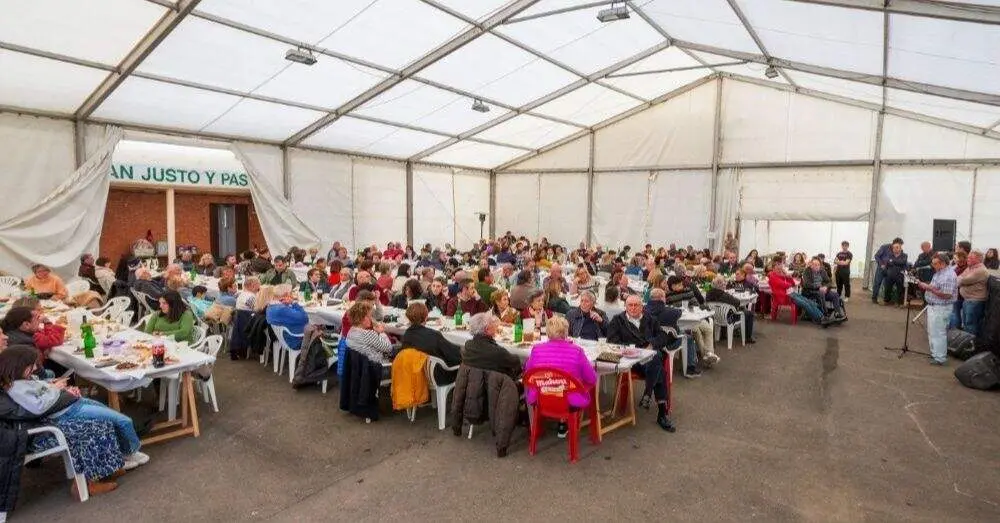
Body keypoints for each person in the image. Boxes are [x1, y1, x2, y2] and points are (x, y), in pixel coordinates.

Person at [0, 346, 150, 491]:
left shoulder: (23, 381)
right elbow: (38, 406)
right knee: (118, 421)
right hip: (64, 413)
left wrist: (52, 384)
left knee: (110, 419)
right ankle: (129, 452)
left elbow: (39, 391)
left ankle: (114, 464)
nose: (34, 368)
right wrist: (55, 388)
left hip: (70, 405)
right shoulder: (16, 388)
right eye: (31, 365)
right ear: (19, 366)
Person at [606, 295, 676, 432]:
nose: (633, 308)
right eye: (630, 305)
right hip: (632, 361)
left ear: (642, 307)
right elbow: (612, 341)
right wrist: (634, 349)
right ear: (625, 307)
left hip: (649, 359)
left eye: (636, 305)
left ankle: (648, 395)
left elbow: (663, 336)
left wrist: (651, 344)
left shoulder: (650, 319)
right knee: (659, 369)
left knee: (655, 359)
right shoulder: (617, 320)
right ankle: (661, 412)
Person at [524, 316, 598, 438]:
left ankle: (551, 425)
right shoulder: (577, 351)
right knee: (579, 384)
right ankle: (568, 424)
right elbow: (592, 379)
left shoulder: (536, 350)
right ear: (566, 332)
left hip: (542, 398)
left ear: (547, 332)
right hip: (569, 400)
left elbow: (528, 371)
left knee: (559, 384)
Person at [400, 303, 461, 384]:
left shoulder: (406, 335)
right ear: (426, 318)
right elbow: (454, 355)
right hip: (437, 376)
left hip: (415, 374)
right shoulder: (433, 335)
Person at [647, 288, 703, 377]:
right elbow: (679, 312)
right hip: (667, 343)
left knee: (679, 332)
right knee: (688, 337)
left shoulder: (644, 310)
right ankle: (690, 368)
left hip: (649, 341)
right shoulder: (668, 312)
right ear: (662, 298)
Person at [664, 276, 717, 369]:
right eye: (677, 285)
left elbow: (696, 304)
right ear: (671, 286)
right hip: (682, 322)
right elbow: (669, 310)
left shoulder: (688, 291)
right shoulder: (668, 296)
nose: (680, 286)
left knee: (708, 329)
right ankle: (707, 355)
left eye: (681, 284)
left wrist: (690, 308)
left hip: (695, 317)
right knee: (697, 331)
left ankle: (709, 354)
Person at [917, 254, 957, 366]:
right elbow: (936, 286)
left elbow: (947, 295)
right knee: (932, 331)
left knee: (939, 332)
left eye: (935, 263)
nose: (933, 266)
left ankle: (940, 357)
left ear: (943, 263)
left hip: (941, 308)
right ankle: (935, 354)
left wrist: (929, 288)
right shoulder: (939, 273)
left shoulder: (948, 276)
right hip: (934, 306)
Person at [0, 306, 66, 371]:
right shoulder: (25, 343)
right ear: (26, 325)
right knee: (63, 368)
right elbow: (35, 369)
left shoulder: (13, 332)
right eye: (38, 318)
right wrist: (48, 323)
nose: (40, 320)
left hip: (30, 371)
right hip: (33, 374)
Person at [461, 313, 521, 379]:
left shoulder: (468, 345)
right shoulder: (498, 352)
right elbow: (516, 362)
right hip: (499, 386)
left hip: (472, 384)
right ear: (487, 329)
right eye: (492, 323)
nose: (495, 326)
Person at [345, 301, 394, 378]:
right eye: (370, 316)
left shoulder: (351, 332)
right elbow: (388, 348)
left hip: (359, 370)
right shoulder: (368, 334)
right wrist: (382, 332)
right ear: (363, 318)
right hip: (376, 370)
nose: (371, 319)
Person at [705, 276, 756, 343]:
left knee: (725, 310)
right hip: (728, 318)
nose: (725, 285)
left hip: (715, 317)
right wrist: (730, 295)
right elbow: (737, 302)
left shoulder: (708, 293)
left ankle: (723, 335)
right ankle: (748, 337)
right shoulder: (724, 295)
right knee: (749, 313)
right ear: (721, 285)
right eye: (724, 284)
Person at [956, 250, 989, 336]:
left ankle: (971, 344)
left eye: (971, 258)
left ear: (978, 259)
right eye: (968, 257)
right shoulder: (970, 268)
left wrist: (961, 281)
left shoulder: (980, 270)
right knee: (967, 323)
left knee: (971, 324)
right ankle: (967, 342)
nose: (968, 259)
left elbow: (962, 280)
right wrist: (961, 280)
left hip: (975, 301)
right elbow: (959, 278)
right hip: (968, 300)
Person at [266, 284, 309, 348]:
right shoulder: (282, 309)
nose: (292, 295)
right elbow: (305, 318)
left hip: (283, 338)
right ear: (286, 295)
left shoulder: (270, 306)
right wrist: (294, 303)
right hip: (294, 340)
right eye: (291, 293)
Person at [872, 238, 903, 304]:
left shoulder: (900, 250)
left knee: (887, 285)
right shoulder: (884, 247)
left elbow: (900, 258)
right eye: (899, 245)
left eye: (900, 246)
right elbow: (877, 256)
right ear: (894, 243)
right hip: (881, 268)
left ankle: (887, 300)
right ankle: (874, 298)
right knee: (877, 282)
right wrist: (881, 264)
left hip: (890, 269)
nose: (899, 247)